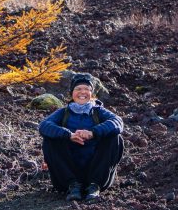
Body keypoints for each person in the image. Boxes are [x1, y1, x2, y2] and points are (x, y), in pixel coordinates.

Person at [38, 72, 124, 202]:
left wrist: (93, 133)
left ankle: (94, 186)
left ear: (92, 94)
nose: (82, 92)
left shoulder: (98, 111)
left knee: (114, 137)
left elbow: (117, 122)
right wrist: (68, 135)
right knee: (50, 139)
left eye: (87, 89)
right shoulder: (64, 112)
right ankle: (72, 185)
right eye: (78, 89)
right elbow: (44, 126)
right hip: (68, 172)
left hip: (97, 171)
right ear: (72, 93)